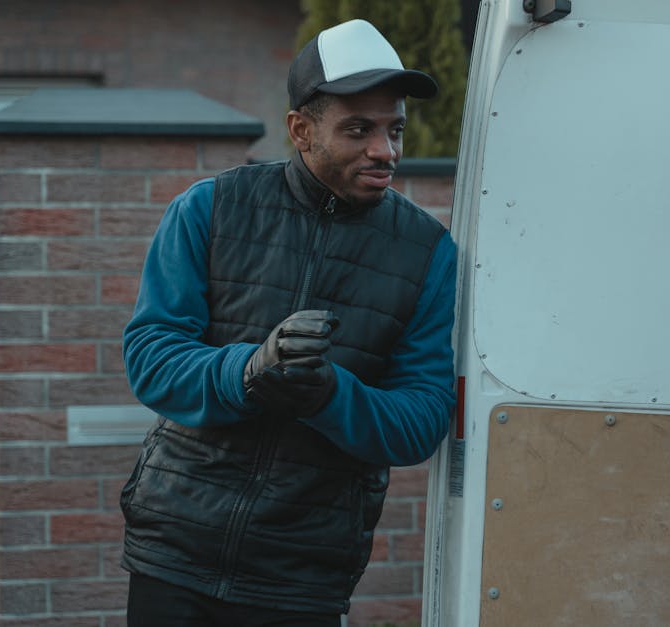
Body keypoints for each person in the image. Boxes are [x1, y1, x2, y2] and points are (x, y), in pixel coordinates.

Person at [119, 18, 458, 626]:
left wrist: (330, 394)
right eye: (359, 129)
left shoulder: (429, 251)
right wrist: (247, 371)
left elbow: (423, 420)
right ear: (301, 130)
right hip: (174, 553)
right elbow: (151, 358)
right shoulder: (209, 208)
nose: (386, 150)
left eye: (394, 128)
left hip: (304, 573)